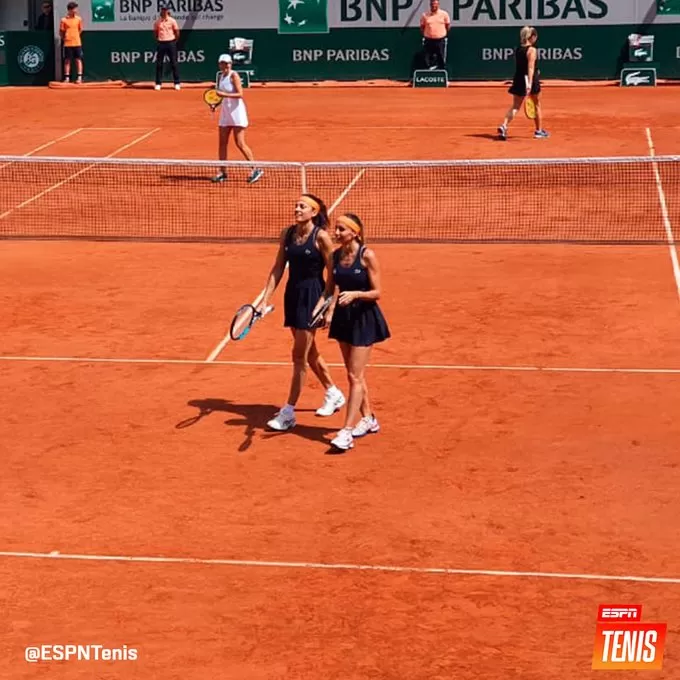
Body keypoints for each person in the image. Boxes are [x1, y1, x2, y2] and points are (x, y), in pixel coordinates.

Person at [260, 195, 346, 432]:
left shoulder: (322, 237)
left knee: (299, 355)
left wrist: (329, 305)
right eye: (296, 205)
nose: (296, 209)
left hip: (313, 297)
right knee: (309, 352)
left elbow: (334, 274)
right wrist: (264, 300)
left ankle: (288, 412)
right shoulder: (287, 234)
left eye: (302, 206)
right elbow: (278, 267)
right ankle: (333, 392)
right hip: (293, 295)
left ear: (313, 212)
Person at [314, 213, 390, 452]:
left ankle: (346, 431)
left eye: (341, 230)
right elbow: (329, 290)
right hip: (343, 319)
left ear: (354, 233)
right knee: (352, 372)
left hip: (364, 318)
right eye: (336, 229)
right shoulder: (336, 256)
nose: (336, 233)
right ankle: (369, 418)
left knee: (354, 377)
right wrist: (320, 311)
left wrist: (356, 294)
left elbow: (377, 292)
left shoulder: (367, 255)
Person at [211, 54, 263, 185]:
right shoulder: (221, 77)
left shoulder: (234, 75)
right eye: (223, 63)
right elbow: (222, 97)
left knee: (240, 143)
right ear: (220, 64)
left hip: (237, 113)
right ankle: (222, 172)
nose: (226, 65)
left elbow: (240, 94)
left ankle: (255, 169)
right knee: (222, 143)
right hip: (225, 113)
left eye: (228, 63)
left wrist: (223, 94)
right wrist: (215, 104)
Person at [498, 26, 549, 140]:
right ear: (532, 37)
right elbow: (530, 68)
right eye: (535, 37)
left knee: (515, 106)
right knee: (537, 104)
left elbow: (521, 65)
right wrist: (530, 84)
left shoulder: (517, 49)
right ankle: (539, 131)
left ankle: (504, 125)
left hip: (518, 79)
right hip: (530, 80)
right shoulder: (532, 50)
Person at [153, 6, 181, 91]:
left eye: (165, 10)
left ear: (167, 11)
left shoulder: (172, 21)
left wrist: (174, 41)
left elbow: (177, 32)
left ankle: (177, 83)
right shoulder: (157, 22)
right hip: (161, 43)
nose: (164, 11)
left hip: (171, 43)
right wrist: (159, 40)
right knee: (159, 64)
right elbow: (155, 33)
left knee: (174, 63)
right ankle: (158, 83)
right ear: (161, 11)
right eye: (163, 10)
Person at [420, 0, 450, 71]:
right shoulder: (425, 15)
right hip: (428, 40)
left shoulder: (444, 14)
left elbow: (447, 26)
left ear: (438, 5)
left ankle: (442, 76)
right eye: (432, 4)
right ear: (430, 5)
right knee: (427, 57)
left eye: (435, 4)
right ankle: (427, 75)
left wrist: (441, 34)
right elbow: (422, 27)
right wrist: (428, 34)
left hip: (440, 40)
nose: (434, 6)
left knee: (441, 58)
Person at [60, 2, 84, 84]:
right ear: (70, 10)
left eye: (76, 9)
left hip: (77, 43)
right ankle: (67, 78)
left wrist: (75, 36)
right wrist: (66, 38)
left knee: (78, 60)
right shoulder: (64, 20)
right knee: (67, 61)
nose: (76, 10)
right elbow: (61, 32)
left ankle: (79, 78)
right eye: (74, 9)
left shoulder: (79, 19)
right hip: (67, 44)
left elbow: (80, 30)